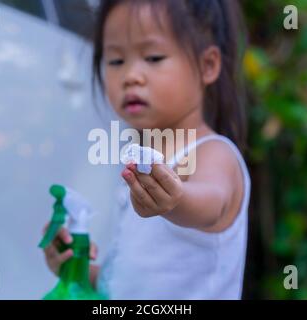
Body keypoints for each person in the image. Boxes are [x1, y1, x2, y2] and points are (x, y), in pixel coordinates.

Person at [43, 0, 251, 299]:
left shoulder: (214, 153)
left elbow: (212, 204)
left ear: (207, 65)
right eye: (116, 61)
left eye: (153, 57)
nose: (131, 76)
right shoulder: (139, 160)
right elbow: (127, 284)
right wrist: (73, 267)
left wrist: (176, 200)